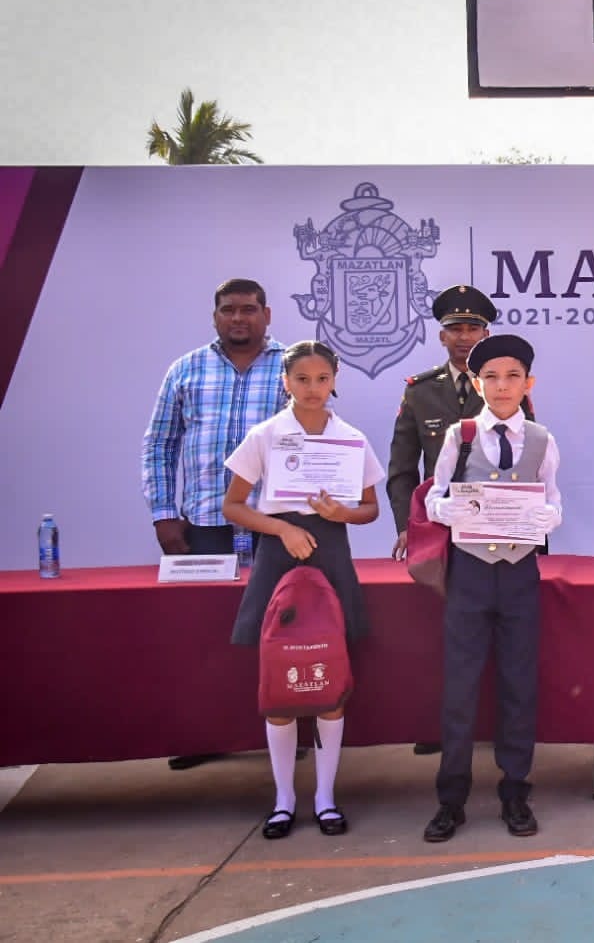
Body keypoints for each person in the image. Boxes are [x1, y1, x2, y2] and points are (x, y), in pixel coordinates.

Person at [221, 340, 384, 839]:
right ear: (285, 382)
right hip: (278, 553)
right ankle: (284, 800)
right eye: (302, 379)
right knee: (280, 685)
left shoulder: (351, 438)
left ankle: (326, 797)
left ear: (335, 380)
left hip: (330, 551)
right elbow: (233, 505)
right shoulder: (266, 435)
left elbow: (371, 509)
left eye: (322, 379)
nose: (313, 389)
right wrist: (281, 529)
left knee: (329, 680)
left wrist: (343, 513)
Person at [141, 277, 287, 771]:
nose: (238, 318)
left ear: (267, 314)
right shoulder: (186, 369)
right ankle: (204, 734)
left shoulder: (294, 368)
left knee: (279, 630)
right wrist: (164, 513)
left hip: (273, 526)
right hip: (203, 526)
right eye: (229, 309)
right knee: (202, 636)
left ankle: (285, 727)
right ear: (215, 316)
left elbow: (317, 444)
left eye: (248, 309)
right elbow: (159, 445)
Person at [420, 333, 561, 842]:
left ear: (528, 383)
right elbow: (433, 497)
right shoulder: (459, 436)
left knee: (518, 683)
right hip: (471, 572)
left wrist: (547, 517)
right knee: (460, 685)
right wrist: (450, 509)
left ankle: (515, 789)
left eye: (513, 377)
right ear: (477, 384)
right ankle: (451, 796)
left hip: (519, 572)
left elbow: (553, 500)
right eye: (492, 377)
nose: (502, 386)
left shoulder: (541, 439)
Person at [386, 285, 507, 561]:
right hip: (438, 523)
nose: (464, 337)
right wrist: (407, 525)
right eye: (455, 329)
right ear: (442, 336)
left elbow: (528, 462)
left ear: (485, 335)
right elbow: (402, 469)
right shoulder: (420, 392)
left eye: (473, 329)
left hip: (496, 522)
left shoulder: (506, 387)